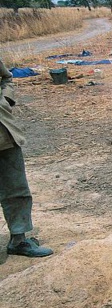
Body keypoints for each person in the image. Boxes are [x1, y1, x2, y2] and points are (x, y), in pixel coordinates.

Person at [1, 57, 53, 259]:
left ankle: (18, 239)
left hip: (3, 132)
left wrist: (5, 100)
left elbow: (6, 77)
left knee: (16, 187)